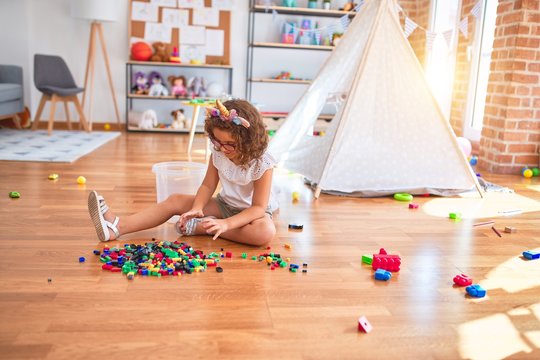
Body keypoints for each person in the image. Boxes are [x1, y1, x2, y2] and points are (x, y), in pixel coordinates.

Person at [88, 99, 278, 246]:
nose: (223, 148)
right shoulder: (219, 152)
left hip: (252, 214)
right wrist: (197, 207)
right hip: (224, 204)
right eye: (217, 141)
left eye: (230, 144)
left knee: (265, 233)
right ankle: (117, 226)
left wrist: (226, 225)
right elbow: (207, 185)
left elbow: (258, 208)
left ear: (248, 140)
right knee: (175, 200)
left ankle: (204, 227)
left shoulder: (263, 162)